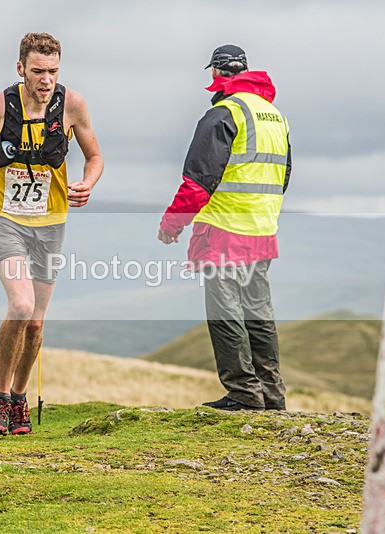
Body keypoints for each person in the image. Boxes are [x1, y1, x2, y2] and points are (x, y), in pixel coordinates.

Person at [0, 32, 104, 435]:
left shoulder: (73, 105)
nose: (46, 79)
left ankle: (19, 399)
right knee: (20, 305)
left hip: (51, 223)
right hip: (5, 219)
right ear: (21, 69)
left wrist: (88, 182)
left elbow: (95, 157)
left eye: (53, 71)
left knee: (34, 322)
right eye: (37, 71)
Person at [158, 45, 291, 411]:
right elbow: (284, 176)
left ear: (215, 73)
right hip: (262, 229)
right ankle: (272, 395)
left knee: (225, 313)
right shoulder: (274, 116)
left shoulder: (223, 114)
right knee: (258, 313)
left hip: (224, 229)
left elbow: (198, 182)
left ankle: (244, 394)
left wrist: (172, 223)